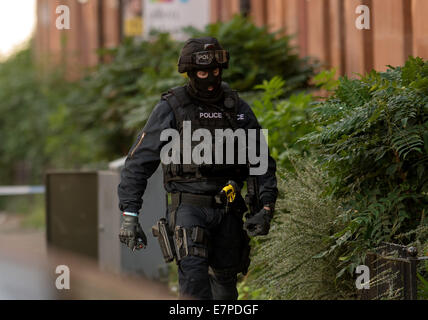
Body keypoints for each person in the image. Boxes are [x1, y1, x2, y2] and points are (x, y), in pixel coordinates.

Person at [118, 37, 278, 300]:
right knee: (194, 285)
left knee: (226, 289)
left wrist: (266, 206)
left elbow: (260, 161)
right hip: (188, 208)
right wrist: (129, 215)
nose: (210, 79)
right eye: (203, 73)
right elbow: (139, 162)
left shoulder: (236, 108)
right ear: (191, 73)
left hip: (228, 206)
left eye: (215, 72)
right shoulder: (173, 107)